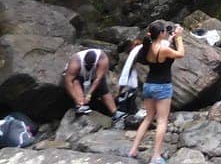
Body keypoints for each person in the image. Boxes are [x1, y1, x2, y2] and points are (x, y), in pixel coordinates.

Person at [129, 21, 185, 164]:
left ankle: (133, 149)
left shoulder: (147, 47)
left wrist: (171, 39)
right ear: (161, 34)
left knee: (148, 117)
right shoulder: (163, 49)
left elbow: (162, 48)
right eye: (164, 31)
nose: (166, 33)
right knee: (161, 121)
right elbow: (181, 54)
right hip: (163, 86)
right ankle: (156, 156)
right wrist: (179, 38)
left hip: (148, 85)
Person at [63, 48, 124, 120]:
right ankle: (80, 105)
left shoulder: (102, 58)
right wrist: (75, 98)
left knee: (103, 89)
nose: (88, 67)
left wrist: (89, 94)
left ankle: (115, 112)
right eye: (87, 65)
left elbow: (98, 79)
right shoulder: (76, 62)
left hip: (95, 75)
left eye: (91, 65)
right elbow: (68, 81)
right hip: (78, 75)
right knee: (76, 82)